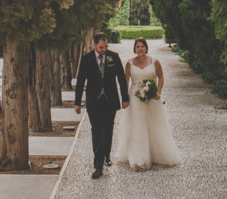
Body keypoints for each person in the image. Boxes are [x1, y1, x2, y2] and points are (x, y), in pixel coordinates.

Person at [113, 37, 181, 171]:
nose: (140, 49)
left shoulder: (154, 61)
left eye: (142, 46)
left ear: (146, 48)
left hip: (151, 96)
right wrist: (125, 98)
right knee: (138, 127)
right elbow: (125, 82)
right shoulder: (129, 64)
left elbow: (161, 77)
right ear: (134, 49)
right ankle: (139, 160)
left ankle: (156, 153)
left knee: (154, 124)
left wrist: (158, 92)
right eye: (138, 47)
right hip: (135, 97)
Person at [74, 32, 129, 179]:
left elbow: (122, 78)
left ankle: (106, 155)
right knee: (97, 130)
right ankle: (97, 166)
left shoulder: (114, 57)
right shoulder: (86, 59)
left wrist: (125, 97)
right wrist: (77, 102)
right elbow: (80, 81)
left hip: (110, 99)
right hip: (94, 100)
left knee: (108, 128)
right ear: (94, 45)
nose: (103, 49)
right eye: (101, 47)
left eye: (105, 47)